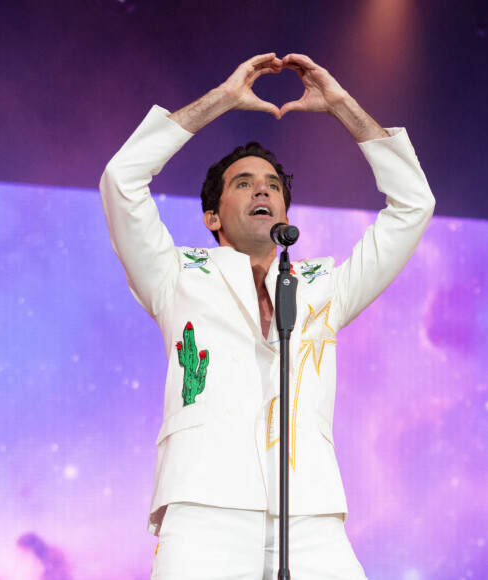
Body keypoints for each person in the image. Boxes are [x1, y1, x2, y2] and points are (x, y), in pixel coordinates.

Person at [100, 52, 435, 580]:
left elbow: (413, 203)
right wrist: (223, 101)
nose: (262, 188)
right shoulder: (176, 275)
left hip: (310, 513)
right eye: (243, 183)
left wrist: (343, 107)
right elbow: (122, 180)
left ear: (285, 211)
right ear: (212, 216)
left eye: (273, 185)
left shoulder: (325, 286)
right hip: (203, 508)